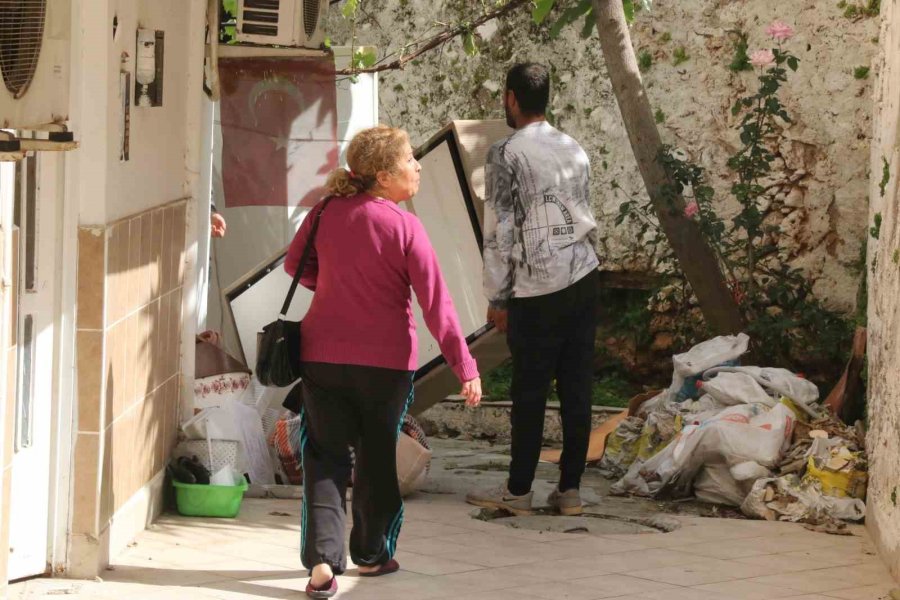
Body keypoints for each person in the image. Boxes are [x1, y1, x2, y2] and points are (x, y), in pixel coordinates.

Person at [285, 125, 482, 599]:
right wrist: (466, 367)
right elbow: (437, 304)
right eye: (409, 160)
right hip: (386, 365)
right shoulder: (404, 226)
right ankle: (371, 556)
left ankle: (322, 565)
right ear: (382, 175)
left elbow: (296, 266)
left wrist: (335, 289)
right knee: (375, 458)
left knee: (326, 457)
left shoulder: (325, 212)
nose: (417, 166)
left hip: (322, 356)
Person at [466, 62, 600, 518]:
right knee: (577, 389)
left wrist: (498, 296)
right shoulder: (573, 147)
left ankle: (518, 492)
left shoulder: (506, 154)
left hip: (536, 287)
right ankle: (570, 492)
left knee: (530, 391)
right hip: (583, 276)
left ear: (511, 99)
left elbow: (500, 230)